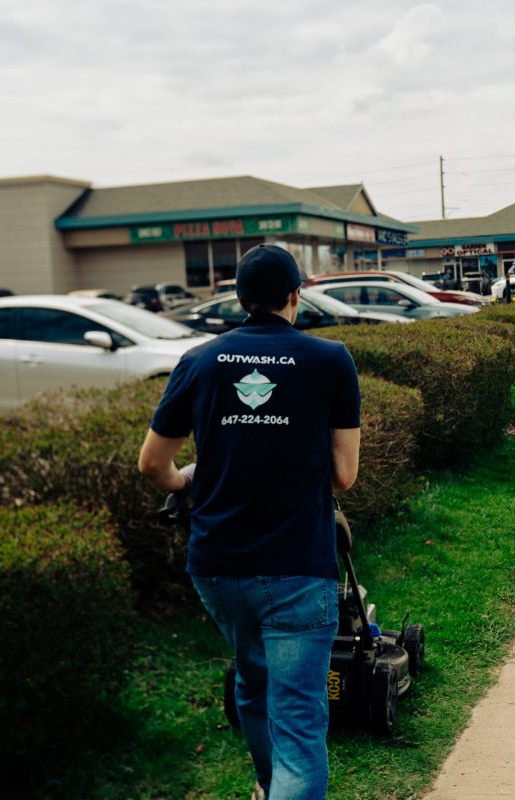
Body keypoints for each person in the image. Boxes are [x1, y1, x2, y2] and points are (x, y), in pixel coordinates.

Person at [138, 244, 361, 800]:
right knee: (300, 721)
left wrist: (185, 481)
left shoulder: (199, 360)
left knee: (253, 681)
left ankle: (267, 785)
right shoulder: (330, 360)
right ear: (296, 295)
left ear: (240, 299)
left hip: (218, 567)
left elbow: (152, 464)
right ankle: (279, 784)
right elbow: (344, 475)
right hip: (296, 568)